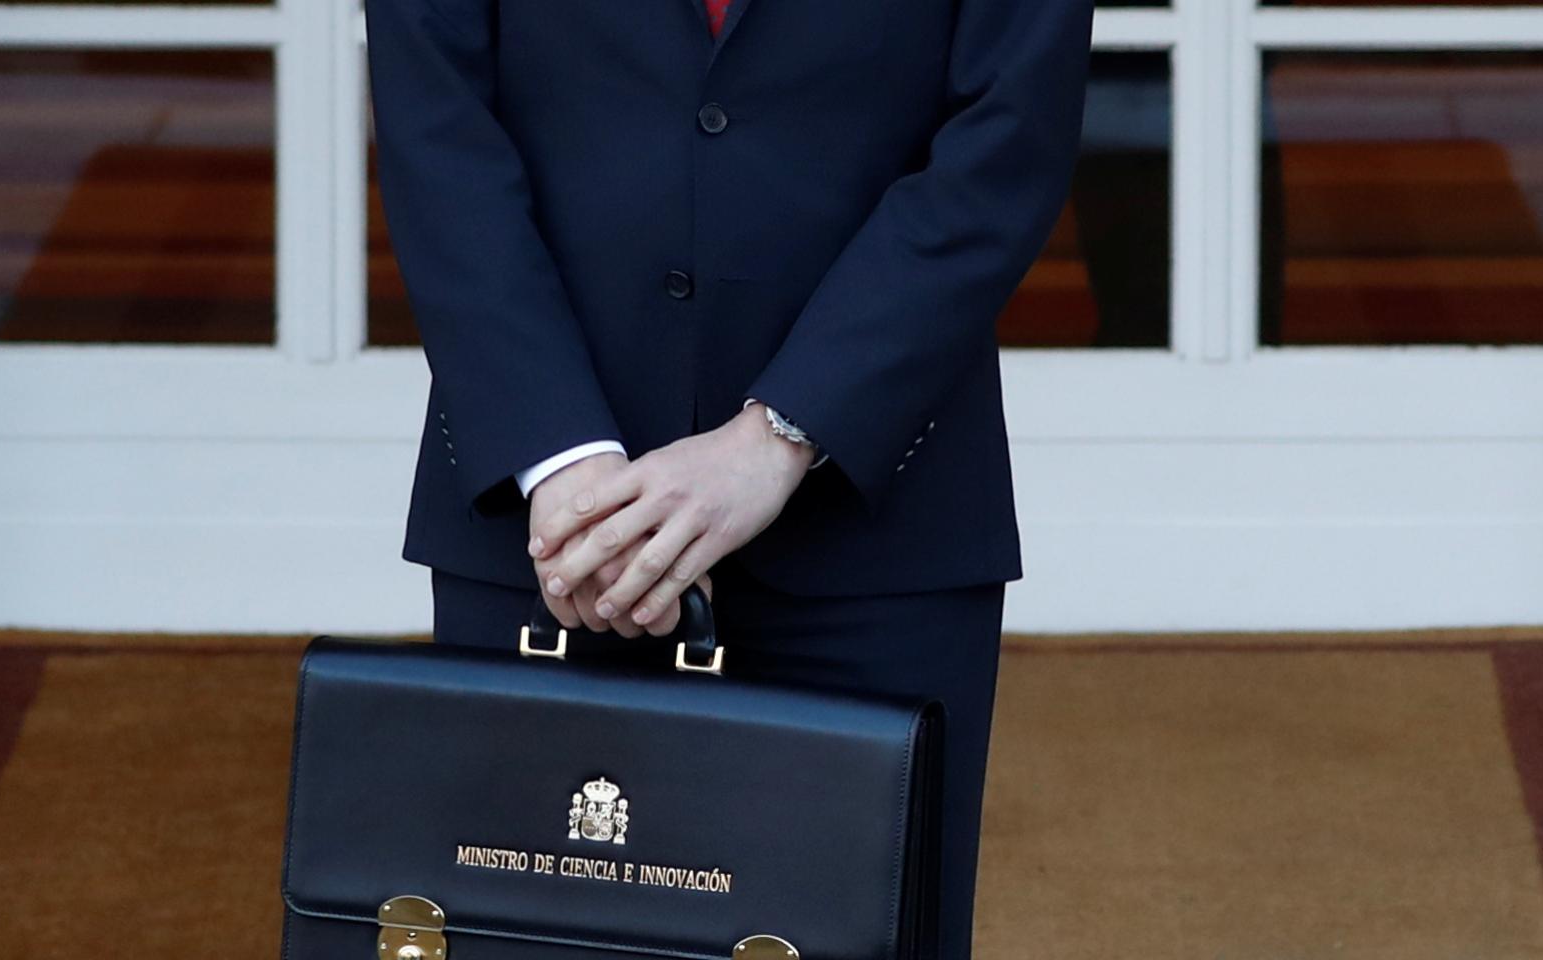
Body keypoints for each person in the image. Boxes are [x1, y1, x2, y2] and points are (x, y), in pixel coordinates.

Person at [362, 0, 1095, 955]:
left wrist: (784, 433)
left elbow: (1007, 136)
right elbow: (437, 126)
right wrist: (565, 461)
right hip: (550, 527)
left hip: (879, 526)